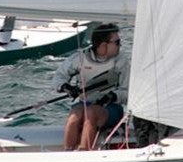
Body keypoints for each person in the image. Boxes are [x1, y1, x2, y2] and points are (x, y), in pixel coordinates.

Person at [51, 22, 129, 151]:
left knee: (91, 113)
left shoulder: (121, 61)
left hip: (111, 108)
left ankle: (83, 153)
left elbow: (127, 92)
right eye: (117, 42)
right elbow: (59, 77)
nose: (120, 45)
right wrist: (66, 87)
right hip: (84, 104)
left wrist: (113, 96)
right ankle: (67, 154)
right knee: (74, 116)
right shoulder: (81, 58)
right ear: (104, 45)